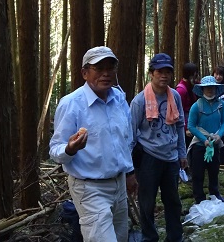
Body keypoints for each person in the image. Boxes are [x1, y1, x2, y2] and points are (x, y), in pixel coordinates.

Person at [49, 46, 137, 242]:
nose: (106, 73)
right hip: (89, 188)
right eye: (98, 68)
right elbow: (55, 149)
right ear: (85, 73)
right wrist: (70, 148)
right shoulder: (71, 104)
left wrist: (130, 172)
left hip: (119, 184)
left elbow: (126, 140)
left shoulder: (119, 99)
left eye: (110, 67)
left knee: (121, 237)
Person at [130, 53, 187, 242]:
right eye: (159, 71)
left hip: (171, 157)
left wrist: (182, 152)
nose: (164, 76)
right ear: (151, 74)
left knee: (173, 201)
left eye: (167, 72)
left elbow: (179, 125)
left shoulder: (175, 96)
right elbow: (131, 132)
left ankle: (175, 237)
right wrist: (130, 167)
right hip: (148, 157)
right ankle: (149, 238)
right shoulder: (139, 101)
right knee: (147, 203)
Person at [187, 75, 224, 203]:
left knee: (214, 171)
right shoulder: (196, 106)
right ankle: (199, 198)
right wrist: (203, 139)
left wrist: (219, 135)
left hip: (215, 143)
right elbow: (191, 126)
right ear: (202, 90)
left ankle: (215, 194)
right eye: (207, 88)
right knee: (198, 173)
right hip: (199, 146)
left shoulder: (221, 105)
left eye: (212, 88)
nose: (210, 90)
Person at [175, 62, 199, 149]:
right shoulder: (181, 90)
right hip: (186, 127)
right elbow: (178, 112)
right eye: (195, 74)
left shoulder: (191, 85)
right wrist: (185, 129)